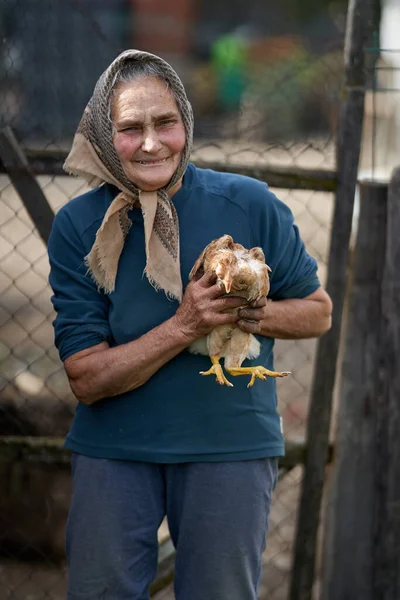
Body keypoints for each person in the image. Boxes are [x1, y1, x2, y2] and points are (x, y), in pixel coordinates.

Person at [48, 49, 332, 600]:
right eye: (130, 128)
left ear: (186, 123)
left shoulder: (248, 204)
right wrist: (185, 325)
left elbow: (318, 311)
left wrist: (247, 311)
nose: (152, 143)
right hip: (115, 447)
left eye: (166, 123)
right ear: (105, 138)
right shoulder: (79, 226)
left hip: (228, 445)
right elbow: (86, 377)